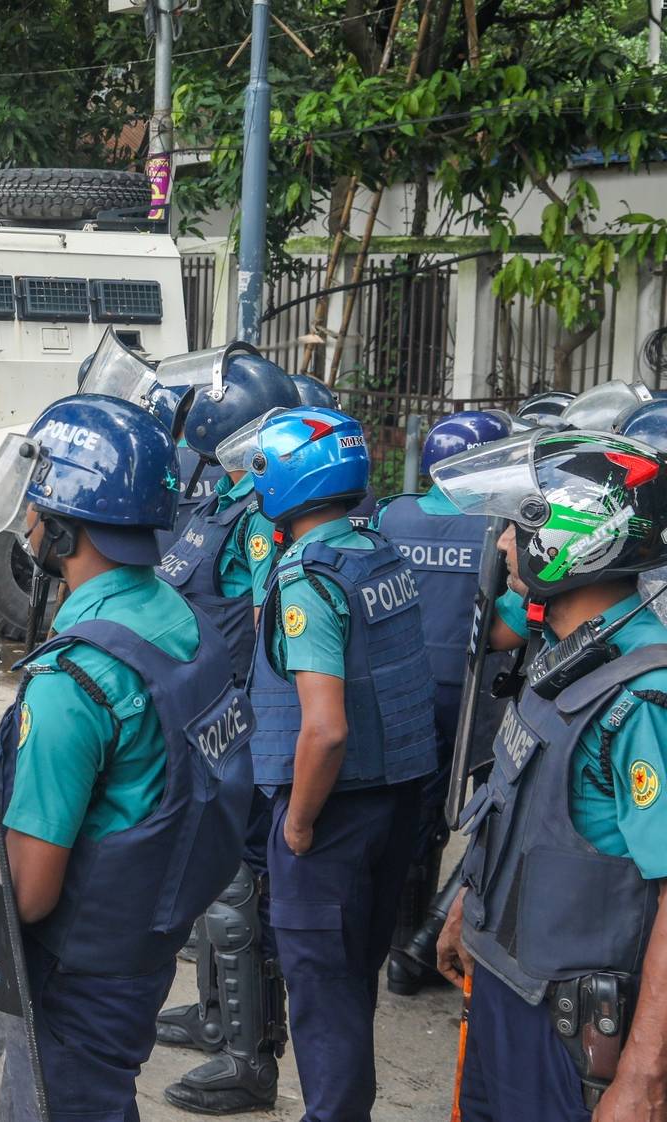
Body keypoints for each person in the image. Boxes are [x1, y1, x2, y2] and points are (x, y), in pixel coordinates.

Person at [0, 393, 253, 1122]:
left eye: (37, 505)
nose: (27, 520)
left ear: (62, 528)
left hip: (81, 963)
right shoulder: (181, 617)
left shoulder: (73, 683)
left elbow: (29, 893)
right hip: (150, 933)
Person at [430, 428, 667, 1122]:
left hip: (572, 1032)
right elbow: (519, 801)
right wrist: (468, 913)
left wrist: (644, 1080)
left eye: (516, 525)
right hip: (508, 987)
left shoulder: (642, 699)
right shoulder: (565, 653)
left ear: (574, 536)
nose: (504, 544)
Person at [235, 405, 437, 1122]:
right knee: (352, 980)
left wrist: (296, 822)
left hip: (332, 815)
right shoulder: (377, 552)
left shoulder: (309, 579)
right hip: (395, 804)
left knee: (322, 995)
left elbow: (324, 730)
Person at [148, 355, 300, 1114]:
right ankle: (214, 1017)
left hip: (237, 721)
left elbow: (273, 632)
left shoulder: (262, 516)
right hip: (201, 712)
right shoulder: (220, 499)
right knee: (209, 879)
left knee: (238, 893)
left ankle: (249, 1059)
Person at [369, 409, 513, 996]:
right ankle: (432, 941)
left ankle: (399, 937)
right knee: (487, 817)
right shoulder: (503, 529)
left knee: (412, 809)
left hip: (402, 692)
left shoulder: (391, 515)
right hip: (480, 697)